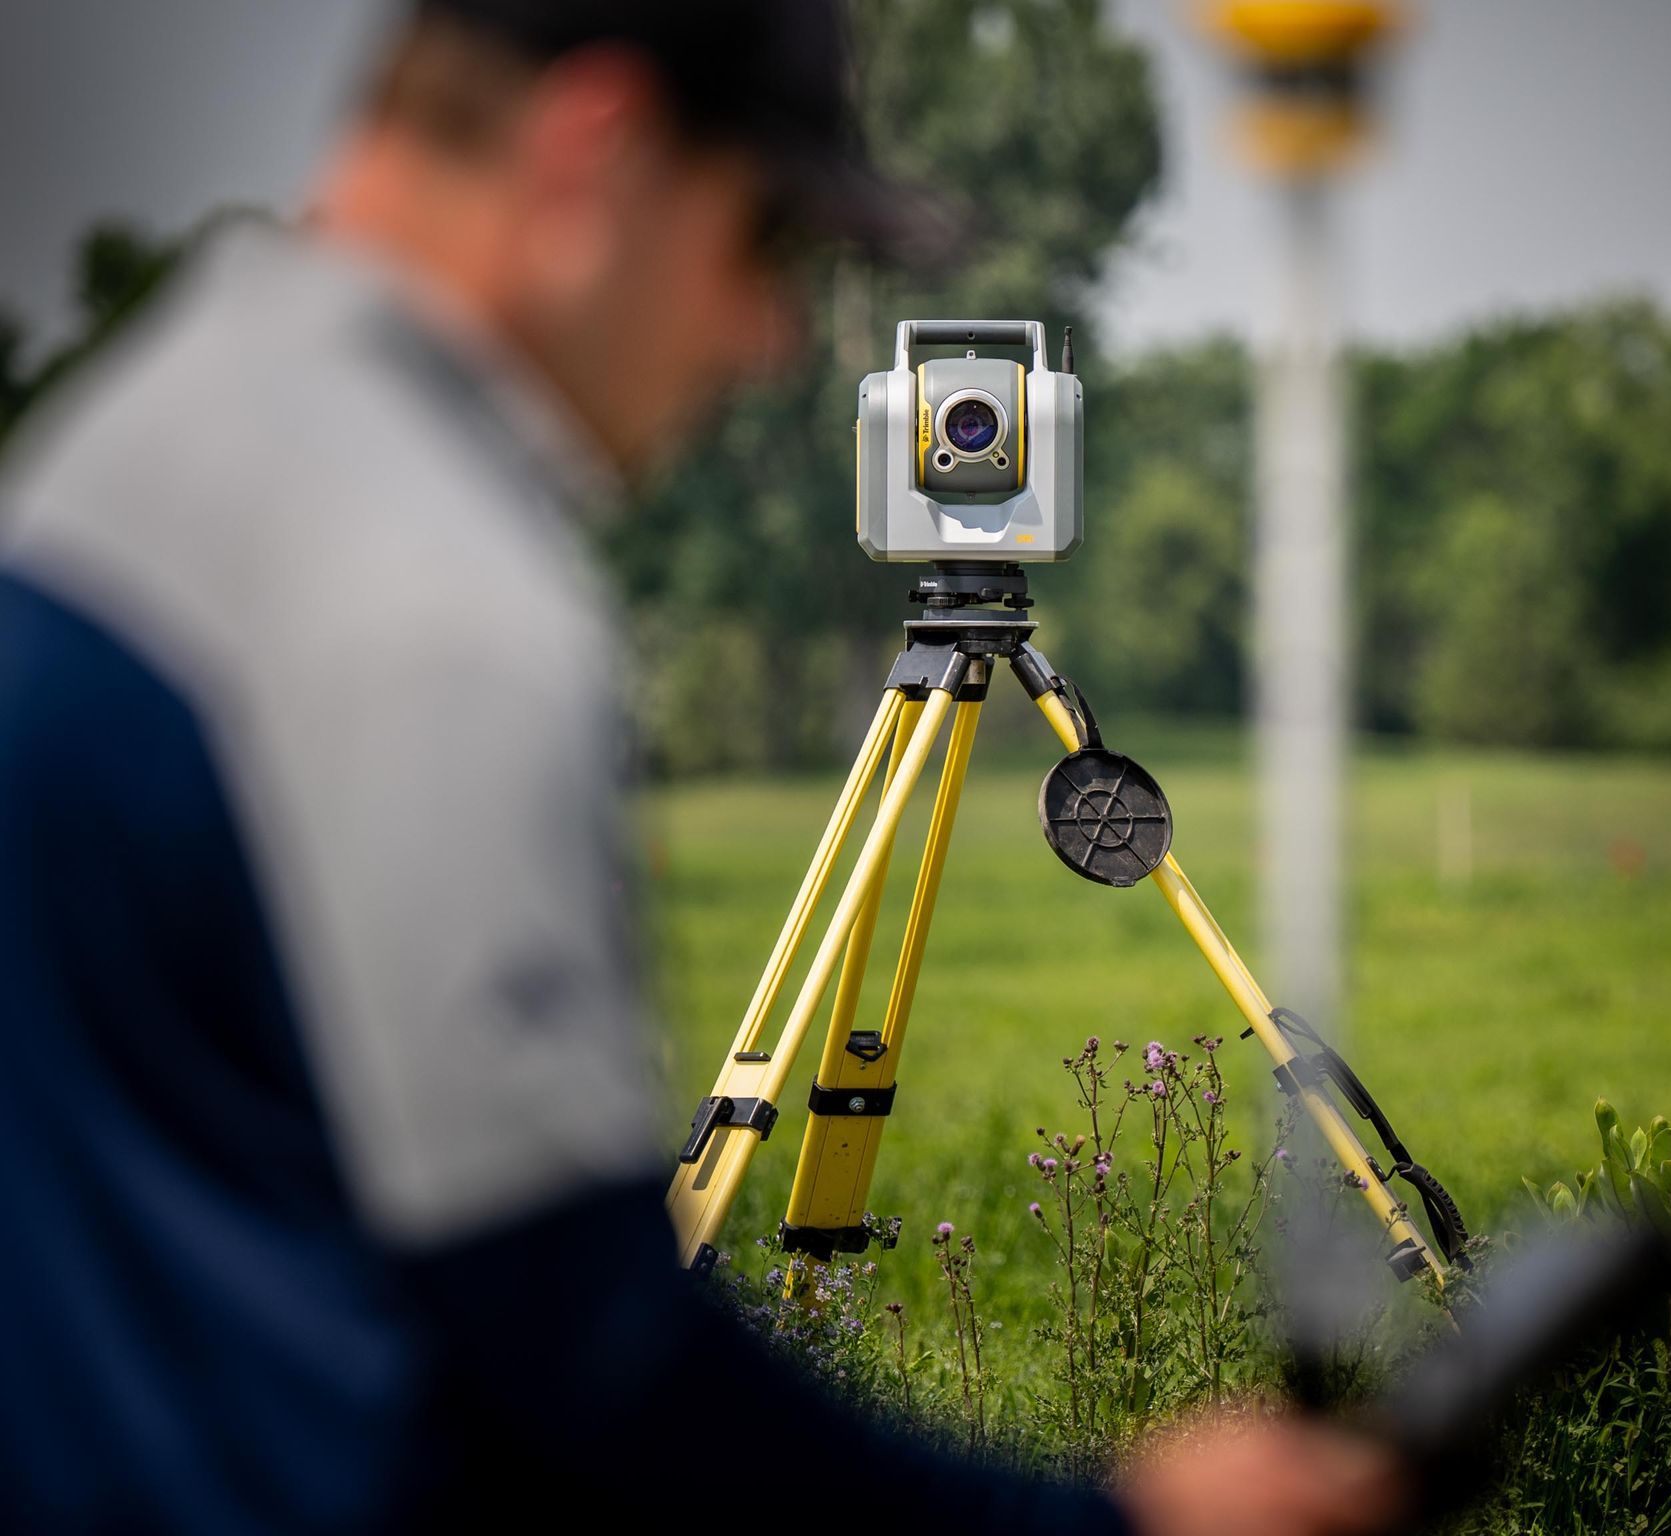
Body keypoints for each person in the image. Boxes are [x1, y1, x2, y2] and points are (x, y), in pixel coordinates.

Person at [0, 3, 1410, 1531]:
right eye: (765, 243)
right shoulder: (433, 605)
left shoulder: (115, 448)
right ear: (597, 150)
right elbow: (593, 1376)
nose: (773, 340)